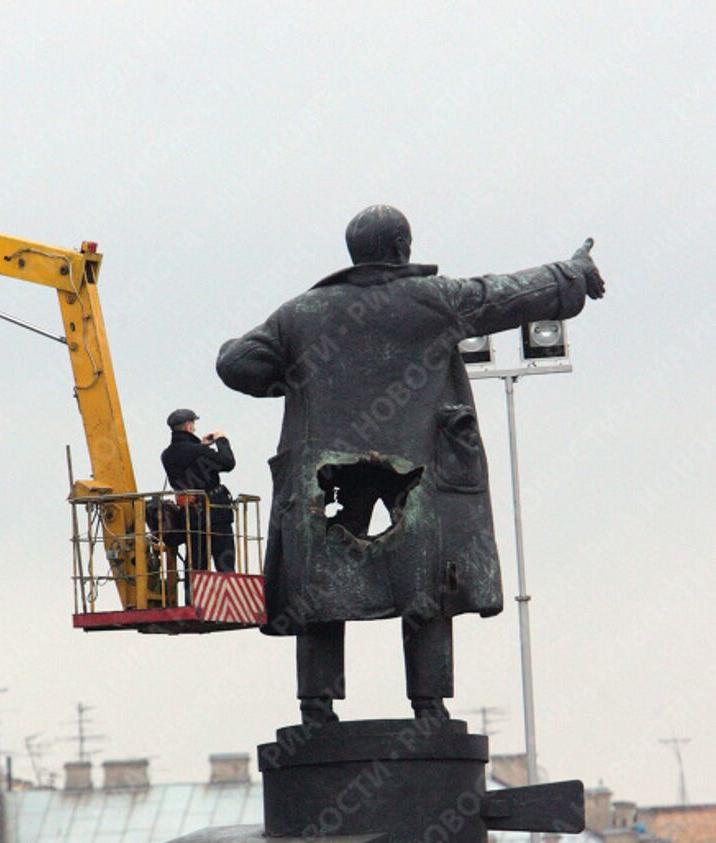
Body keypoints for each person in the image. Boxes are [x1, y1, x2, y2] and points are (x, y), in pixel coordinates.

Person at [217, 206, 605, 724]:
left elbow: (237, 363)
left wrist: (290, 374)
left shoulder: (300, 315)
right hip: (417, 469)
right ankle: (429, 707)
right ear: (403, 248)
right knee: (425, 582)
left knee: (320, 590)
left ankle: (317, 708)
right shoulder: (436, 300)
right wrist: (573, 271)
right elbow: (513, 293)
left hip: (328, 477)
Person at [161, 408, 236, 573]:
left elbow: (188, 461)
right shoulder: (198, 452)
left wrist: (200, 446)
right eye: (193, 425)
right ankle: (228, 596)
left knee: (195, 565)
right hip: (216, 514)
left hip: (191, 517)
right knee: (225, 563)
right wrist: (221, 440)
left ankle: (192, 596)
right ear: (188, 426)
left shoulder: (166, 455)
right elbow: (228, 463)